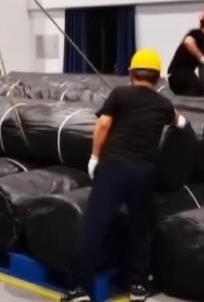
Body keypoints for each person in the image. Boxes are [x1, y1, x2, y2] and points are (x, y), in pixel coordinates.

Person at [61, 49, 188, 302]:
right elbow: (179, 122)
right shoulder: (163, 104)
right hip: (144, 173)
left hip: (114, 167)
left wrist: (94, 157)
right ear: (158, 79)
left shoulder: (120, 94)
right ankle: (138, 286)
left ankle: (80, 289)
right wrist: (182, 122)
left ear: (131, 74)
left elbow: (103, 125)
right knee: (141, 229)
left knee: (95, 226)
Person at [167, 10, 204, 96]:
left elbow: (201, 67)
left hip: (183, 74)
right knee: (196, 89)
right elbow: (188, 42)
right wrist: (202, 58)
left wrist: (202, 85)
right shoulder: (197, 33)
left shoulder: (202, 41)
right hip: (178, 73)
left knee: (199, 90)